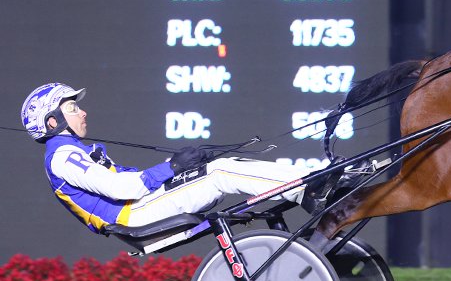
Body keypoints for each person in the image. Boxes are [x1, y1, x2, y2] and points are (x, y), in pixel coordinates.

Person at [21, 82, 342, 234]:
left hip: (140, 207)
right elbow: (121, 189)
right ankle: (307, 189)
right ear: (53, 122)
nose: (83, 112)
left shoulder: (70, 152)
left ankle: (308, 185)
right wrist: (172, 166)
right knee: (220, 173)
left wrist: (179, 169)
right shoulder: (62, 157)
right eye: (72, 109)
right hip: (134, 216)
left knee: (216, 167)